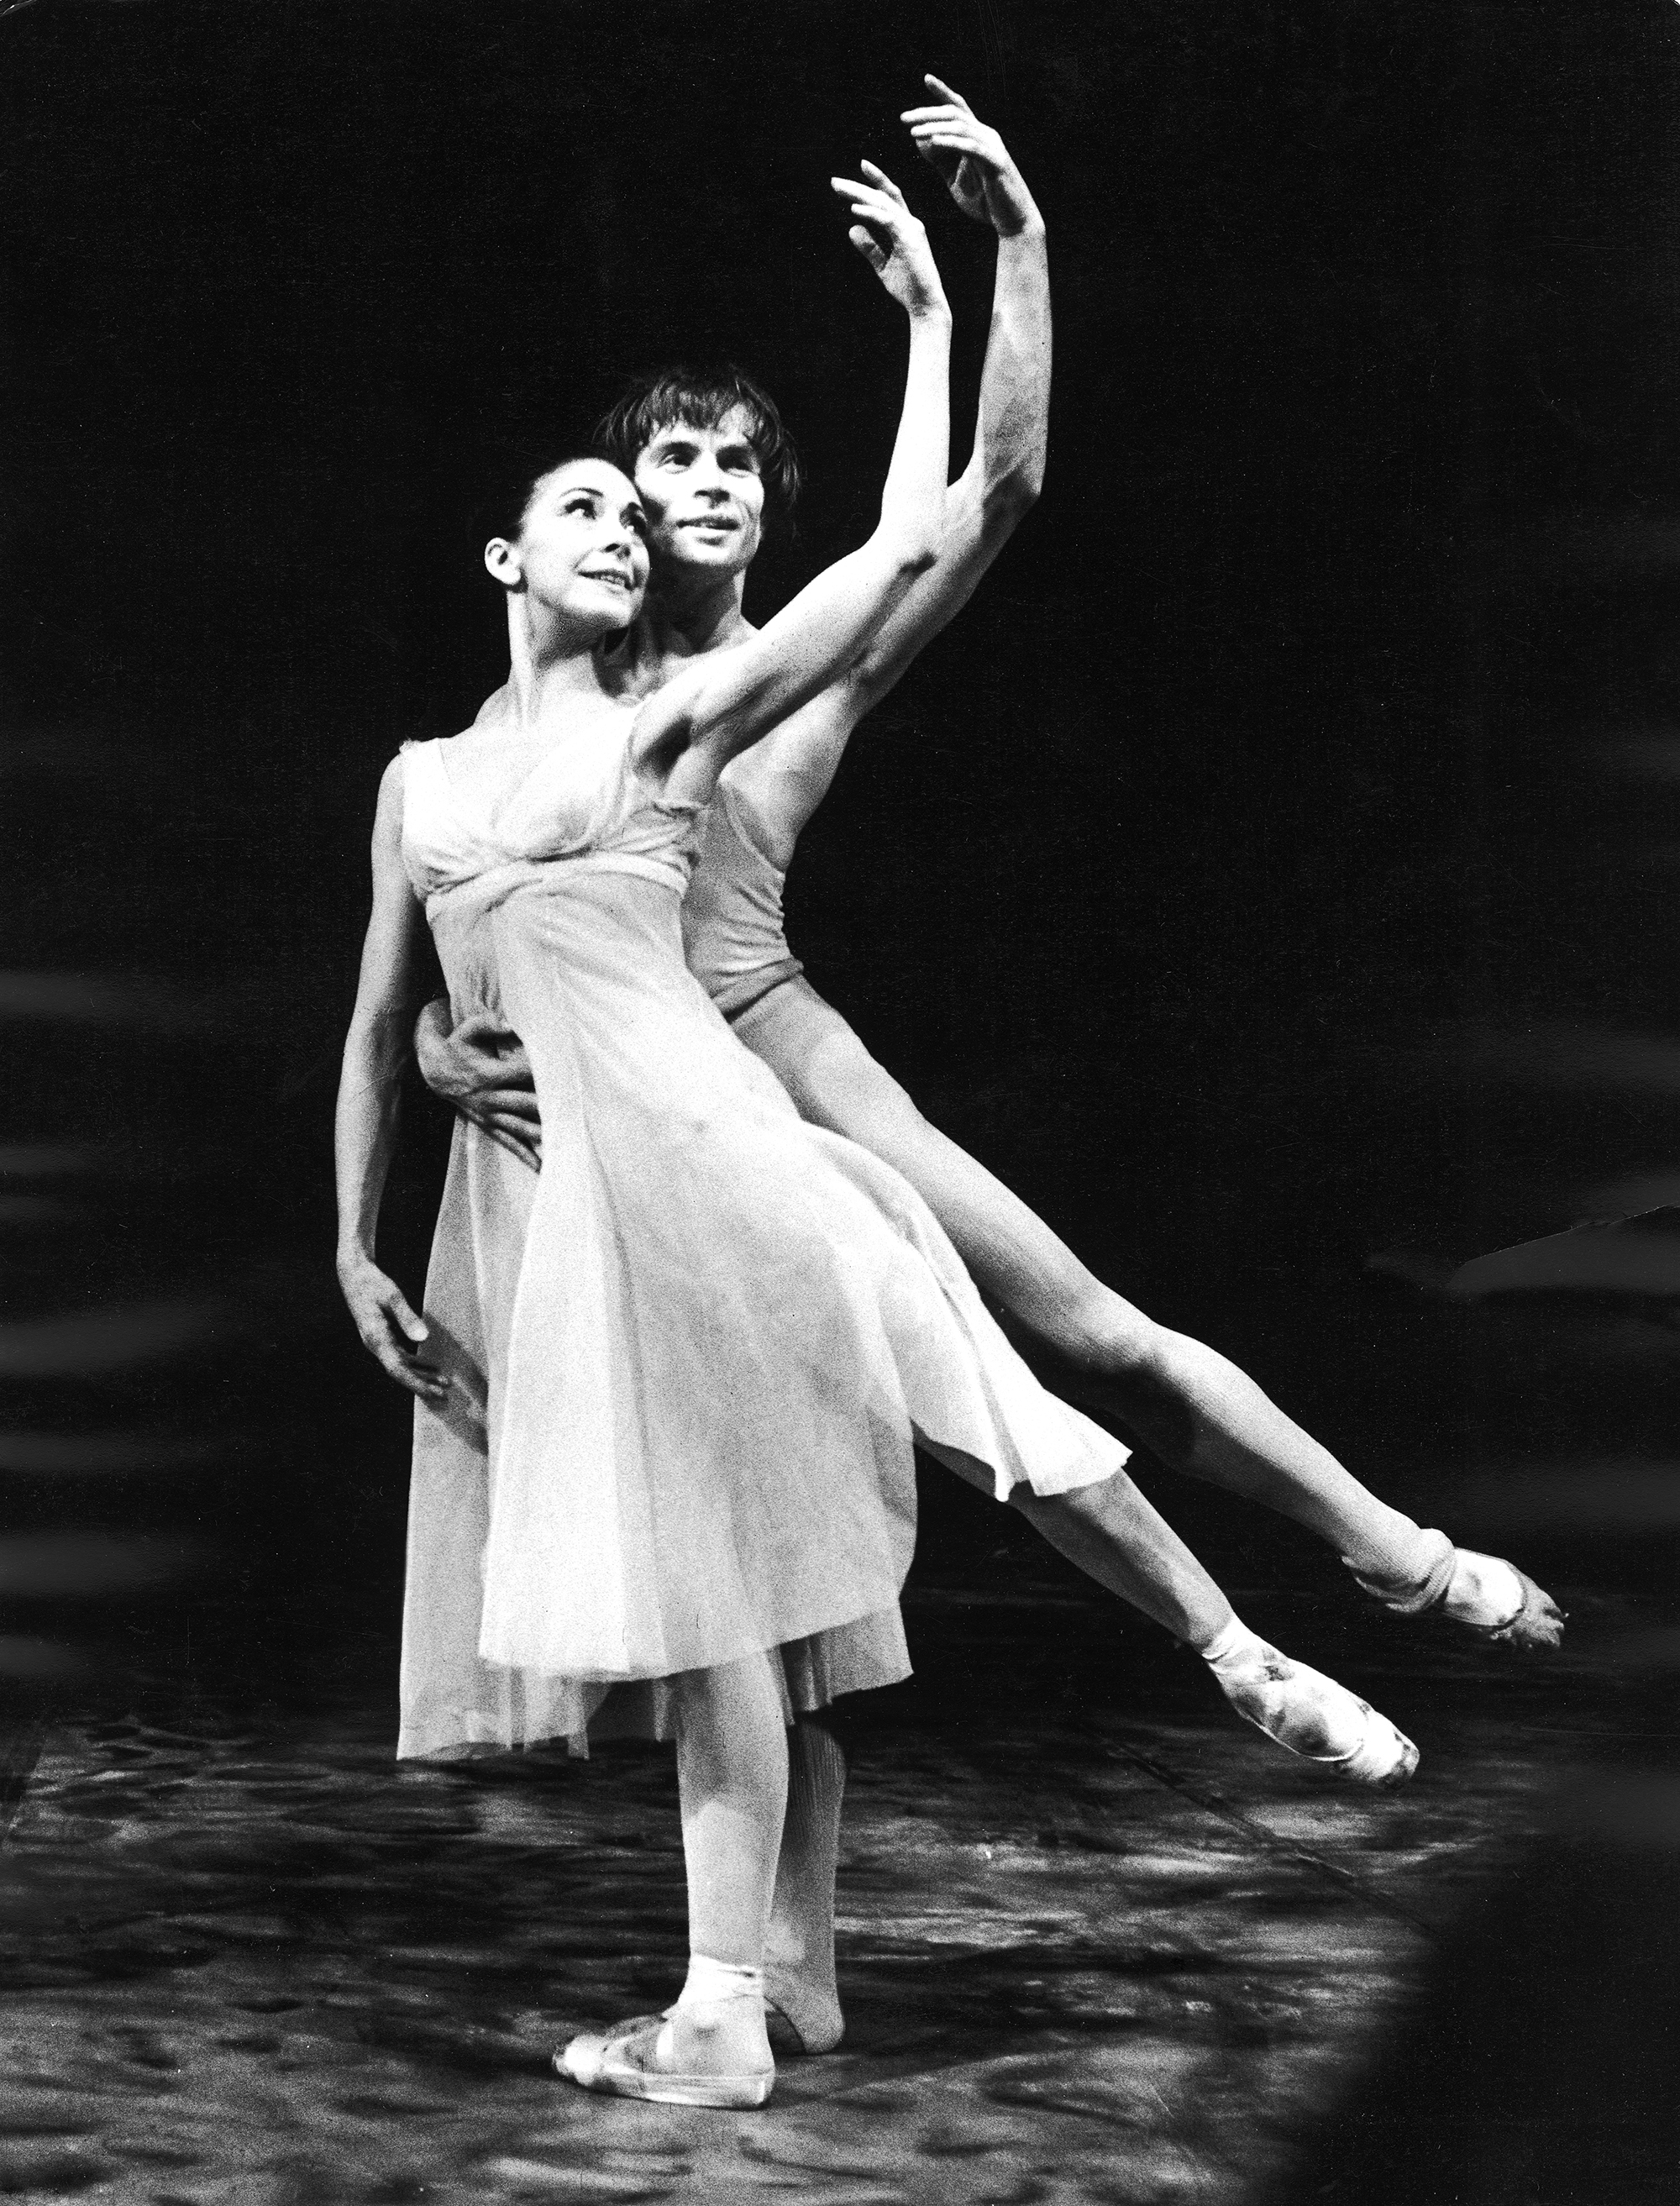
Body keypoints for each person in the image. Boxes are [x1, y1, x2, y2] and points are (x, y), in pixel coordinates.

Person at [421, 81, 1561, 1673]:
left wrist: (1007, 251)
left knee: (1085, 1331)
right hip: (614, 1102)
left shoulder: (799, 677)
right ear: (607, 503)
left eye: (745, 463)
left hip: (772, 1046)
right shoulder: (532, 702)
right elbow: (451, 886)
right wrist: (438, 1036)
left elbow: (992, 492)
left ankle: (1404, 1557)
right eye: (676, 456)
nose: (716, 480)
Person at [339, 161, 1257, 2113]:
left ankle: (1279, 1617)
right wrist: (386, 1158)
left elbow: (924, 545)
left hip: (733, 1109)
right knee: (761, 1578)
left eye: (663, 492)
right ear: (509, 553)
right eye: (601, 488)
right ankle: (777, 1978)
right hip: (569, 1184)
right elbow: (393, 998)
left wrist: (962, 303)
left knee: (991, 1399)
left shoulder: (700, 715)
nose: (643, 509)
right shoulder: (443, 769)